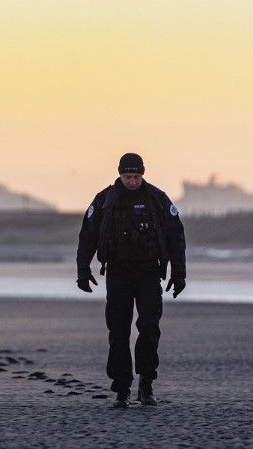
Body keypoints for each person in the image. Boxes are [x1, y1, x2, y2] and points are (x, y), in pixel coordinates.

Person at [75, 152, 187, 408]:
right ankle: (122, 389)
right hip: (118, 273)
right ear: (120, 174)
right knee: (118, 331)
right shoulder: (105, 200)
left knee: (149, 326)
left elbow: (176, 237)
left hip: (149, 273)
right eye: (128, 176)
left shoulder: (158, 199)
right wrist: (83, 269)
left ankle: (146, 384)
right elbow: (88, 235)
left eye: (136, 176)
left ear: (143, 174)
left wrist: (179, 274)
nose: (132, 181)